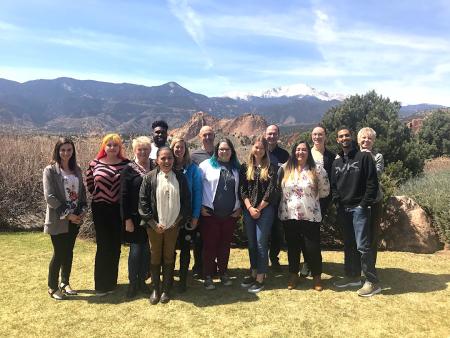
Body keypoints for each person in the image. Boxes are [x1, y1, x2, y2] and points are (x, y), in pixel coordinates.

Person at [331, 127, 381, 297]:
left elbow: (372, 183)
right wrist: (338, 203)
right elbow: (334, 186)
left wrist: (363, 204)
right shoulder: (337, 163)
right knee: (349, 244)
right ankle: (352, 276)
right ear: (337, 140)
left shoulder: (364, 157)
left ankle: (372, 282)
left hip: (359, 208)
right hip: (344, 209)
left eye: (347, 135)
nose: (344, 138)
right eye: (340, 136)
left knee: (363, 246)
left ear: (352, 138)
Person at [139, 147, 191, 304]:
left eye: (169, 158)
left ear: (173, 160)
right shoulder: (149, 178)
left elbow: (187, 201)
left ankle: (166, 289)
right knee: (155, 255)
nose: (166, 161)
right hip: (155, 226)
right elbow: (143, 202)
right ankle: (156, 288)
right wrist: (153, 223)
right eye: (163, 158)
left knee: (169, 255)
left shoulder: (180, 178)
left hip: (173, 226)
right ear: (157, 160)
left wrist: (179, 221)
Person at [278, 140, 330, 291]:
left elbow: (325, 190)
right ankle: (293, 275)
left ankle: (317, 278)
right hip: (289, 215)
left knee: (312, 248)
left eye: (304, 150)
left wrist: (312, 202)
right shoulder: (286, 168)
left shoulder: (317, 169)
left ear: (308, 152)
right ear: (294, 152)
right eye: (298, 149)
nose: (300, 152)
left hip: (310, 216)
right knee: (293, 247)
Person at [43, 137, 87, 300]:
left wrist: (81, 212)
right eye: (63, 150)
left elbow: (82, 194)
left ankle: (65, 283)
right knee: (60, 252)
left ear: (73, 151)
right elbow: (50, 196)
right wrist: (68, 215)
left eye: (69, 150)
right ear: (57, 151)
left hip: (75, 219)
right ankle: (52, 287)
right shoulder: (50, 170)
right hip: (59, 219)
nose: (66, 153)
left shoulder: (77, 170)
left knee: (68, 252)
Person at [86, 133, 129, 296]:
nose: (112, 148)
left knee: (116, 246)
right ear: (104, 146)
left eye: (115, 145)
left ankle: (112, 282)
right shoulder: (94, 163)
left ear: (120, 148)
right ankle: (101, 284)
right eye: (109, 145)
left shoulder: (126, 164)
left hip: (118, 209)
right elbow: (90, 185)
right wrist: (102, 195)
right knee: (103, 246)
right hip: (100, 209)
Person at [199, 138, 241, 290]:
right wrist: (198, 208)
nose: (224, 152)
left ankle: (223, 273)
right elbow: (197, 188)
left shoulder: (237, 168)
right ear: (216, 151)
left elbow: (242, 191)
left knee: (224, 246)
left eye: (227, 149)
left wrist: (240, 207)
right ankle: (208, 276)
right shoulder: (205, 166)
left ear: (232, 152)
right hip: (210, 215)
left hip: (230, 216)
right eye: (221, 149)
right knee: (210, 246)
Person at [239, 136, 278, 293]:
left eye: (262, 148)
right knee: (251, 243)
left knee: (261, 243)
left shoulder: (271, 167)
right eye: (256, 147)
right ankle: (253, 271)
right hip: (249, 210)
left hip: (265, 210)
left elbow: (271, 191)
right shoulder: (245, 167)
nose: (259, 150)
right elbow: (242, 190)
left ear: (265, 150)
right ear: (252, 148)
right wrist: (249, 208)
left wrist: (259, 209)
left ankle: (261, 277)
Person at [300, 125, 336, 277]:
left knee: (313, 234)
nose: (317, 137)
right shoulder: (306, 154)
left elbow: (333, 180)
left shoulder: (332, 157)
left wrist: (328, 200)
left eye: (320, 134)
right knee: (303, 233)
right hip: (303, 201)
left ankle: (313, 264)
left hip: (322, 202)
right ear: (311, 136)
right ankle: (307, 263)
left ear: (325, 136)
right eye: (315, 134)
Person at [120, 136, 153, 299]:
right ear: (134, 151)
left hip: (152, 218)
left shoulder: (155, 166)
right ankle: (133, 283)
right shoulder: (129, 169)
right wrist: (126, 220)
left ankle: (142, 281)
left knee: (147, 251)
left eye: (146, 149)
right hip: (134, 218)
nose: (143, 152)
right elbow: (124, 196)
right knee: (135, 251)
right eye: (140, 149)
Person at [170, 137, 203, 292]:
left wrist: (195, 216)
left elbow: (197, 192)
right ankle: (169, 278)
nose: (179, 150)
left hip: (187, 216)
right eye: (176, 147)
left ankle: (183, 279)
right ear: (172, 148)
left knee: (185, 248)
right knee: (169, 248)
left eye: (182, 147)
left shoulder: (193, 168)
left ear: (186, 149)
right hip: (169, 216)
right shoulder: (166, 166)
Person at [357, 127, 384, 264]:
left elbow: (376, 175)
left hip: (374, 201)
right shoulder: (353, 156)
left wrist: (368, 157)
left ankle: (370, 267)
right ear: (359, 140)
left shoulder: (378, 157)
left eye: (370, 138)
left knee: (372, 235)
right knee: (358, 235)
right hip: (356, 201)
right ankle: (357, 266)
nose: (366, 140)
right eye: (364, 137)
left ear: (373, 141)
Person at [264, 124, 289, 271]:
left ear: (278, 135)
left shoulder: (284, 155)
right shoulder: (260, 152)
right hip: (261, 200)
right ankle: (261, 261)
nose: (272, 136)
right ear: (265, 135)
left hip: (278, 200)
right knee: (262, 233)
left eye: (274, 134)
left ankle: (274, 258)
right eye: (269, 134)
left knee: (277, 232)